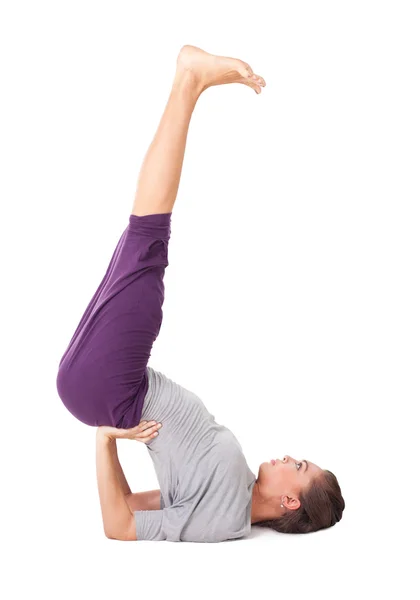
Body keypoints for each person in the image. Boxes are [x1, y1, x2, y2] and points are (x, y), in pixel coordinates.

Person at [56, 45, 345, 542]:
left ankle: (188, 81)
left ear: (290, 500)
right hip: (115, 383)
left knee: (148, 235)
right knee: (140, 238)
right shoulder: (229, 493)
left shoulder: (225, 521)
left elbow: (119, 525)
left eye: (297, 464)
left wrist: (106, 440)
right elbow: (132, 505)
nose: (285, 455)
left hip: (117, 389)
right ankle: (189, 83)